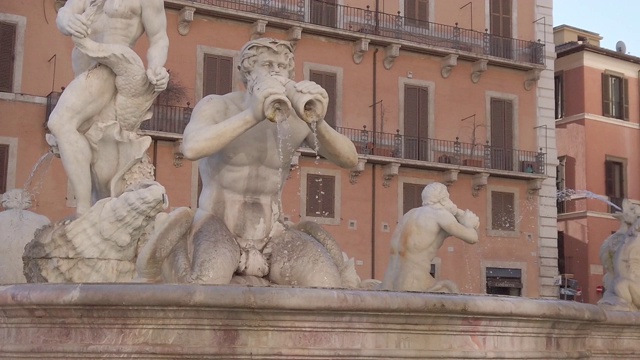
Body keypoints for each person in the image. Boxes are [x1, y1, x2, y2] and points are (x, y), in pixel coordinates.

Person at [138, 38, 359, 288]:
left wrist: (317, 120)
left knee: (325, 283)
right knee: (207, 282)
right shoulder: (219, 106)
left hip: (272, 233)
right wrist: (252, 115)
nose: (276, 71)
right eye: (267, 64)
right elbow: (191, 147)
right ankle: (174, 251)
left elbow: (349, 159)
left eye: (282, 66)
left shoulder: (296, 119)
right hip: (218, 223)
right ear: (248, 73)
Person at [47, 0, 169, 216]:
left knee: (61, 122)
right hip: (84, 69)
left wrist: (156, 67)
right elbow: (65, 12)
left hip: (112, 67)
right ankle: (98, 205)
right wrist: (67, 21)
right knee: (93, 144)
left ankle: (83, 210)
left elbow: (159, 38)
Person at [380, 182, 479, 292]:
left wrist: (456, 212)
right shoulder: (440, 214)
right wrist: (469, 224)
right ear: (444, 199)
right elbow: (472, 237)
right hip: (414, 284)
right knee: (450, 291)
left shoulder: (409, 214)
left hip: (388, 285)